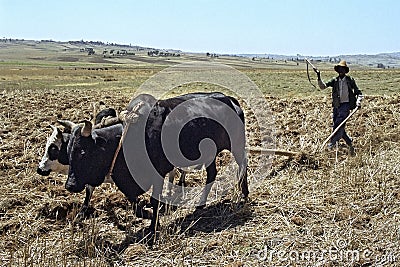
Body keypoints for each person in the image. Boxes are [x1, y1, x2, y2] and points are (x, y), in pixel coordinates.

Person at [315, 60, 363, 154]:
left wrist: (358, 101)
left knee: (338, 125)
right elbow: (322, 87)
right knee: (339, 126)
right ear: (338, 70)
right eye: (340, 69)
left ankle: (332, 145)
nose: (341, 71)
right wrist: (318, 76)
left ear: (345, 71)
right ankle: (349, 142)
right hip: (337, 106)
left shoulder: (349, 80)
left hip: (346, 105)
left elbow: (359, 93)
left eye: (343, 69)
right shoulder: (334, 80)